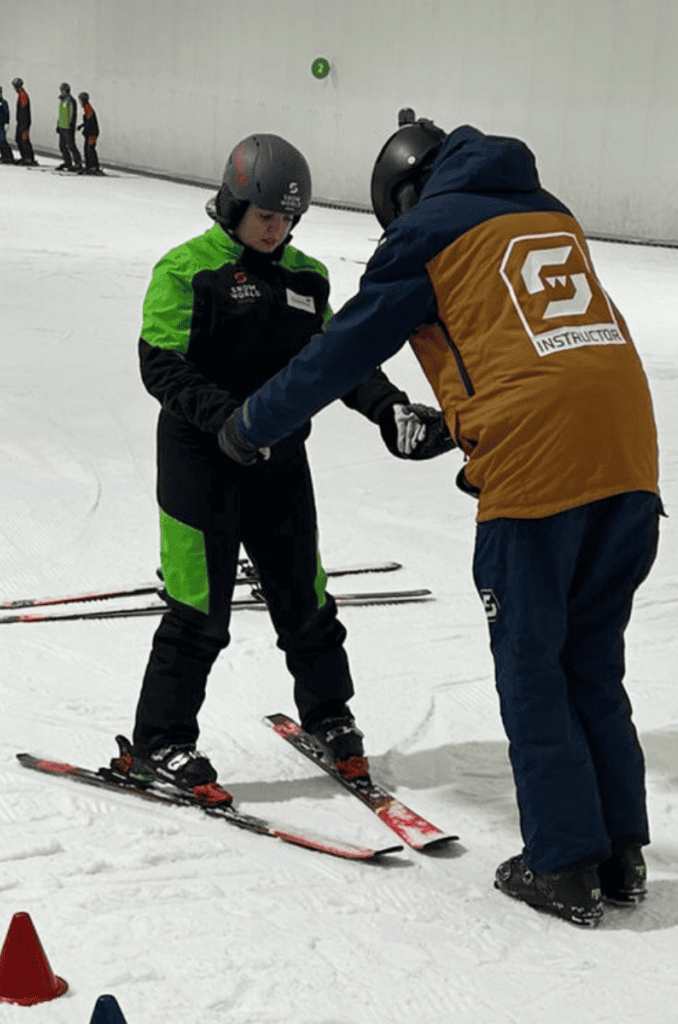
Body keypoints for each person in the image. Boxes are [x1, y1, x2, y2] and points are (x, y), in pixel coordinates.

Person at [219, 112, 662, 928]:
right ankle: (621, 855)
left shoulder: (430, 231)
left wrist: (250, 424)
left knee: (533, 666)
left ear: (405, 195)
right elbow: (530, 341)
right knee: (591, 662)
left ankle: (562, 863)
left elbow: (339, 352)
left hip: (539, 471)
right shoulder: (547, 210)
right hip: (631, 458)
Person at [114, 133, 437, 806]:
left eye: (288, 218)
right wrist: (228, 420)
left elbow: (338, 361)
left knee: (306, 601)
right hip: (200, 463)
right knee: (199, 612)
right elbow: (161, 365)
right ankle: (159, 740)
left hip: (280, 465)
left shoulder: (305, 278)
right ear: (233, 204)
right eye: (266, 215)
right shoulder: (186, 271)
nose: (276, 228)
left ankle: (329, 716)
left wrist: (388, 408)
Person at [55, 82, 81, 172]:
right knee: (62, 146)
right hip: (62, 126)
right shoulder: (62, 100)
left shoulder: (71, 100)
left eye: (62, 90)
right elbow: (61, 113)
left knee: (71, 146)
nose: (61, 92)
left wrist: (70, 124)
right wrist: (58, 124)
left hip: (68, 127)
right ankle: (67, 162)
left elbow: (72, 113)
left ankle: (78, 163)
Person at [11, 77, 36, 165]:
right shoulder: (21, 94)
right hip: (22, 121)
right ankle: (26, 156)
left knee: (23, 139)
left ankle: (28, 158)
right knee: (19, 139)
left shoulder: (23, 94)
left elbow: (23, 108)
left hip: (24, 122)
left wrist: (22, 122)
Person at [77, 91, 101, 175]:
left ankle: (93, 166)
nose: (79, 102)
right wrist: (82, 126)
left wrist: (85, 129)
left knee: (90, 149)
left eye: (79, 99)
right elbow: (88, 120)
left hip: (92, 133)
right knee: (87, 149)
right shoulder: (86, 107)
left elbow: (90, 121)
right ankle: (89, 166)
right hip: (91, 132)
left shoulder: (87, 108)